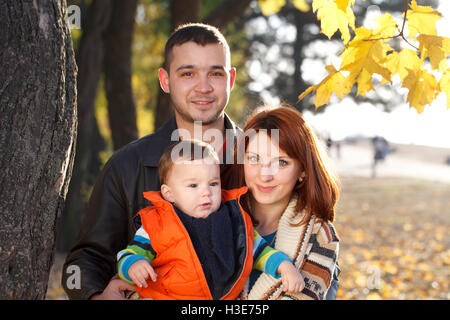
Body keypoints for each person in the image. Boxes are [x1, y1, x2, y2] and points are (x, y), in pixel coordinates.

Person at [62, 23, 243, 300]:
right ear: (165, 80)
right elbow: (84, 260)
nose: (203, 87)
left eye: (215, 73)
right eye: (188, 73)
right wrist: (95, 297)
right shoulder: (126, 165)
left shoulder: (262, 160)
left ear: (230, 80)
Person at [116, 140, 304, 299]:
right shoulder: (155, 224)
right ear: (169, 193)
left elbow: (258, 250)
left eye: (213, 183)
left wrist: (284, 266)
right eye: (193, 185)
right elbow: (127, 254)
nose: (206, 192)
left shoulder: (233, 219)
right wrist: (133, 264)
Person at [232, 105, 341, 300]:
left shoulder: (320, 235)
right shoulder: (220, 215)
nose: (264, 175)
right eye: (254, 159)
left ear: (303, 171)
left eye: (281, 162)